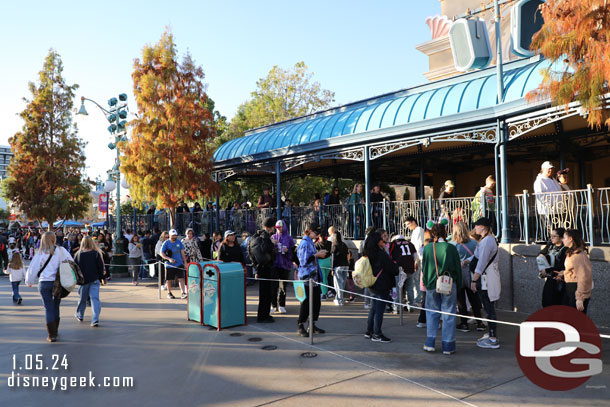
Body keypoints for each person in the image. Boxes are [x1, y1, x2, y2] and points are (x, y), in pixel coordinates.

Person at [25, 231, 73, 342]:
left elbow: (33, 269)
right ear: (54, 239)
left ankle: (51, 335)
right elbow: (71, 262)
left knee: (48, 308)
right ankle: (55, 330)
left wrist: (29, 281)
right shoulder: (62, 251)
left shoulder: (40, 253)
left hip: (44, 283)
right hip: (58, 283)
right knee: (56, 306)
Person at [421, 223, 461, 354]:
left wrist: (426, 282)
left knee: (432, 312)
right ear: (445, 232)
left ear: (433, 234)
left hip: (432, 283)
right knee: (448, 313)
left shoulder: (427, 249)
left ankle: (430, 342)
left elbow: (425, 268)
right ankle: (448, 346)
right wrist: (458, 284)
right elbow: (457, 268)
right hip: (449, 283)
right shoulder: (451, 248)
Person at [363, 231, 398, 343]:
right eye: (381, 240)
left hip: (371, 284)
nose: (383, 241)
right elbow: (392, 268)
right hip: (382, 284)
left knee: (373, 309)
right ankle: (377, 334)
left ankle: (369, 331)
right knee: (379, 311)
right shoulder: (381, 254)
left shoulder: (366, 253)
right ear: (377, 241)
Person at [471, 217, 501, 349]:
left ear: (483, 227)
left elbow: (482, 261)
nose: (475, 228)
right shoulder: (486, 239)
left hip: (486, 278)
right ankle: (490, 333)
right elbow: (477, 257)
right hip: (485, 277)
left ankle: (493, 338)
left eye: (477, 226)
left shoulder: (488, 240)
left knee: (489, 307)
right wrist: (467, 261)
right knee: (487, 305)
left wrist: (474, 279)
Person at [450, 221, 485, 332]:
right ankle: (479, 322)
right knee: (474, 298)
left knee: (461, 299)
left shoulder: (452, 245)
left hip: (458, 273)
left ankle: (464, 323)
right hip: (471, 272)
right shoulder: (474, 243)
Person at [296, 223, 327, 337]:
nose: (317, 234)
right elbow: (303, 262)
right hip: (306, 277)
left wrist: (317, 254)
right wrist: (317, 254)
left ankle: (312, 324)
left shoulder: (310, 242)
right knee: (306, 303)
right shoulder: (304, 243)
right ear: (309, 231)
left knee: (316, 302)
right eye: (315, 232)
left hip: (314, 277)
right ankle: (300, 325)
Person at [249, 217, 277, 323]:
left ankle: (264, 314)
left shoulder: (257, 235)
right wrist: (272, 243)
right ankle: (263, 316)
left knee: (265, 293)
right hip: (265, 268)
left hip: (261, 268)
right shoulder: (265, 236)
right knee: (266, 293)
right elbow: (266, 248)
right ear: (270, 227)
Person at [74, 236, 105, 326]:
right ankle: (95, 319)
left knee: (82, 299)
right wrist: (101, 277)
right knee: (95, 299)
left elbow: (75, 268)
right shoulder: (96, 253)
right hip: (94, 279)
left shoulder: (78, 254)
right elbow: (100, 267)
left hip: (83, 280)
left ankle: (80, 315)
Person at [559, 229, 592, 314]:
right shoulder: (572, 253)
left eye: (564, 237)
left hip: (576, 289)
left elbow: (584, 276)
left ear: (570, 239)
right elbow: (574, 270)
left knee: (576, 320)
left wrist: (580, 298)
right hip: (570, 288)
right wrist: (564, 273)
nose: (562, 239)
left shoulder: (578, 255)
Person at [537, 227, 567, 307]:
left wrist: (547, 270)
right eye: (551, 236)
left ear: (561, 238)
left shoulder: (565, 249)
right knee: (547, 302)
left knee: (556, 302)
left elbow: (562, 265)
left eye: (554, 236)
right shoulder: (550, 246)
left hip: (559, 279)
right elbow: (541, 254)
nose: (551, 238)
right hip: (550, 278)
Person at [270, 220, 295, 314]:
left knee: (283, 286)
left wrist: (287, 250)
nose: (279, 229)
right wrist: (273, 245)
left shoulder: (289, 238)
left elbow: (293, 253)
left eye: (280, 227)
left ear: (284, 227)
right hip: (275, 265)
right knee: (273, 286)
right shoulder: (273, 237)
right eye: (277, 227)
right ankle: (273, 305)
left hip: (285, 265)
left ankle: (282, 305)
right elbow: (269, 251)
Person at [389, 234, 417, 311]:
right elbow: (415, 256)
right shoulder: (410, 244)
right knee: (410, 288)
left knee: (398, 288)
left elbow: (389, 256)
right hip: (410, 269)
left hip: (399, 269)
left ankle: (397, 307)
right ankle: (411, 306)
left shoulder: (393, 244)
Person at [159, 229, 188, 299]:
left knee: (181, 278)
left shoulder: (179, 242)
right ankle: (169, 293)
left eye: (175, 235)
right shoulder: (166, 243)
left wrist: (185, 262)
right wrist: (169, 259)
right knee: (169, 279)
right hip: (169, 264)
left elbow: (182, 252)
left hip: (179, 263)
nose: (174, 237)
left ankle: (183, 292)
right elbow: (161, 253)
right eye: (172, 236)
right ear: (169, 236)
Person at [405, 216, 425, 306]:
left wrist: (416, 259)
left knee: (416, 279)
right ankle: (417, 298)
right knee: (415, 279)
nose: (407, 226)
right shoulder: (415, 231)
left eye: (408, 224)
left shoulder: (419, 230)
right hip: (415, 257)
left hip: (418, 258)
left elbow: (419, 245)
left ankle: (418, 299)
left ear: (413, 222)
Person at [359, 226, 376, 309]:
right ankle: (371, 302)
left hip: (365, 264)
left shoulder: (363, 242)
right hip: (373, 265)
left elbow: (360, 253)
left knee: (367, 284)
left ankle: (366, 302)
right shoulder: (375, 241)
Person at [330, 231, 349, 306]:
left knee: (338, 284)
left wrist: (332, 268)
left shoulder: (334, 245)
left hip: (338, 266)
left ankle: (339, 299)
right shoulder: (344, 244)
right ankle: (339, 298)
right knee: (343, 283)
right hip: (345, 265)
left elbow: (333, 258)